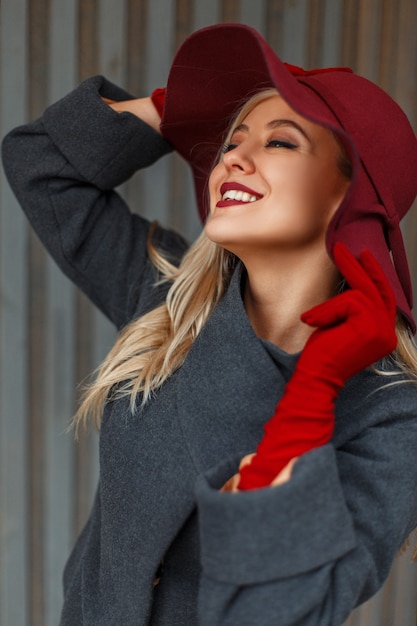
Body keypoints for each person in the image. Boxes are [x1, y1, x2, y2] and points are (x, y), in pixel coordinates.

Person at [2, 21, 417, 626]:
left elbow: (278, 608)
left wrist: (315, 388)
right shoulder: (172, 304)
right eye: (229, 142)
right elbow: (39, 163)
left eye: (280, 142)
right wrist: (176, 113)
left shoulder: (392, 410)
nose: (233, 158)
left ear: (348, 196)